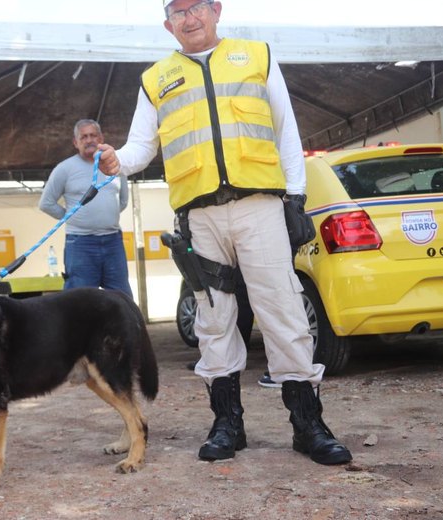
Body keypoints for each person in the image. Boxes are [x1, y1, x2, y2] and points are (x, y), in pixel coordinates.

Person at [97, 0, 351, 465]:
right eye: (178, 12)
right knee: (215, 318)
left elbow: (285, 129)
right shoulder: (155, 79)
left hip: (260, 207)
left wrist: (294, 198)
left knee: (283, 311)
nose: (189, 18)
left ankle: (308, 426)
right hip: (200, 217)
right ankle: (227, 424)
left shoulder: (257, 56)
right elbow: (140, 146)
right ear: (167, 24)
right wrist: (118, 160)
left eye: (196, 7)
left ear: (216, 10)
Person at [38, 119, 134, 298]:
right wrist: (72, 217)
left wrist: (105, 217)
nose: (89, 140)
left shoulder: (115, 166)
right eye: (84, 137)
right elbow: (46, 203)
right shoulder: (65, 169)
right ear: (75, 142)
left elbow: (122, 202)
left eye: (93, 135)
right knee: (80, 302)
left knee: (122, 299)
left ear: (101, 138)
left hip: (113, 241)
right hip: (81, 244)